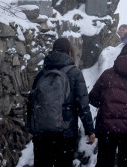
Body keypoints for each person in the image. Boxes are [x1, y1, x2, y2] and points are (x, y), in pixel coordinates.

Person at [29, 38, 95, 167]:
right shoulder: (74, 73)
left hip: (42, 131)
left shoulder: (42, 73)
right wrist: (90, 130)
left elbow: (32, 102)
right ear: (70, 51)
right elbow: (83, 105)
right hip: (65, 130)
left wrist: (33, 127)